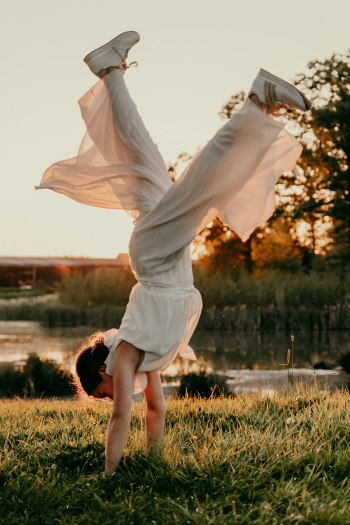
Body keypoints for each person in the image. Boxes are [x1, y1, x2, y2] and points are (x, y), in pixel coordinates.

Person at [36, 31, 311, 474]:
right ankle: (109, 70)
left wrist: (109, 475)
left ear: (102, 373)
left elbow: (122, 417)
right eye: (106, 397)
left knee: (201, 188)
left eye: (103, 392)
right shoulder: (150, 357)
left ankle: (258, 102)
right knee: (142, 153)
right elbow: (154, 412)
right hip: (162, 257)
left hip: (156, 257)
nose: (112, 397)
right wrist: (156, 460)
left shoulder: (125, 356)